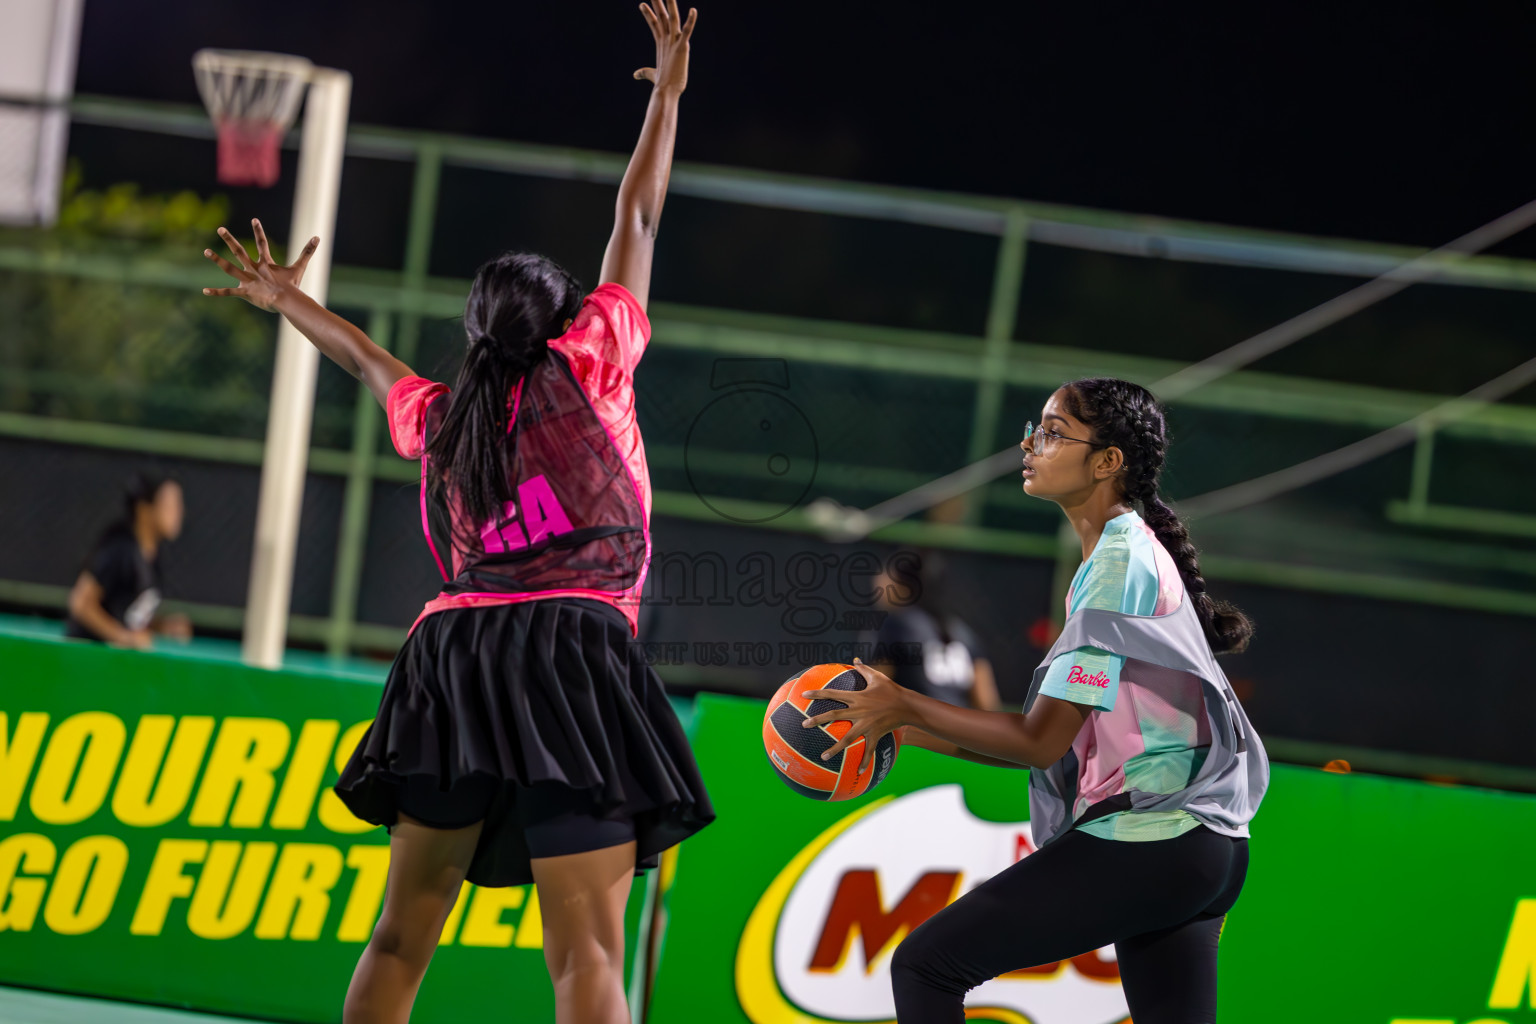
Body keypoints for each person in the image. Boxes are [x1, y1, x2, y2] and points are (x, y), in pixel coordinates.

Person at [200, 5, 709, 1022]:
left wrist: (287, 302)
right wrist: (669, 103)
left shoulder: (444, 418)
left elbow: (363, 358)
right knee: (586, 959)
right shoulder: (592, 359)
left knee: (402, 930)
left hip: (452, 655)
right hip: (572, 645)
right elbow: (638, 220)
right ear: (563, 316)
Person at [800, 378, 1268, 1024]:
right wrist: (905, 729)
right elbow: (1044, 742)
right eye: (1034, 428)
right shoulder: (1123, 557)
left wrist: (905, 703)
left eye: (1052, 432)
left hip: (1154, 840)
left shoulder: (1117, 568)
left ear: (1107, 463)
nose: (1030, 443)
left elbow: (1037, 740)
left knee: (925, 967)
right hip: (1204, 849)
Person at [65, 472, 192, 648]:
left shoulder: (152, 556)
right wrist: (124, 638)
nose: (179, 513)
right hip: (88, 658)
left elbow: (125, 614)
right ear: (144, 509)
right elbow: (81, 603)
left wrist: (162, 627)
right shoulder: (119, 549)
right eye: (169, 505)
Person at [867, 554, 1001, 711]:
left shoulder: (896, 625)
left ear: (902, 585)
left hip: (917, 729)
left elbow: (873, 692)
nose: (878, 582)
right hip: (959, 730)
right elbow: (987, 703)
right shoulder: (962, 631)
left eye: (886, 576)